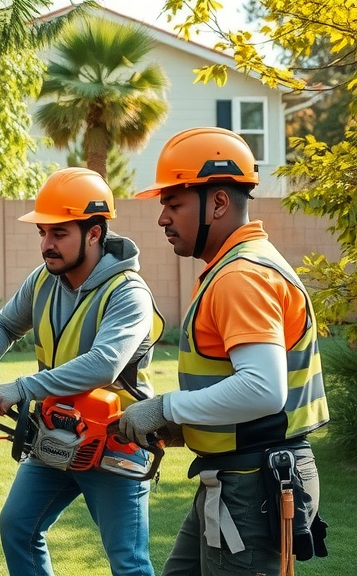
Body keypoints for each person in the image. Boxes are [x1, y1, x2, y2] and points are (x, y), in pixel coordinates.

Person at [121, 126, 330, 576]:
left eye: (173, 204)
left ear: (217, 202)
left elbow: (262, 390)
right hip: (237, 477)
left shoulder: (241, 276)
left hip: (250, 485)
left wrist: (167, 409)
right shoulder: (234, 266)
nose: (162, 218)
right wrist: (190, 424)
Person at [0, 167, 164, 576]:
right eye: (42, 233)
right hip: (55, 434)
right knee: (17, 526)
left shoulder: (129, 293)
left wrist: (22, 387)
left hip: (114, 443)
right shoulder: (43, 281)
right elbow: (2, 324)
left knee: (128, 562)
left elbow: (105, 363)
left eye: (59, 233)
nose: (46, 245)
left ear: (93, 232)